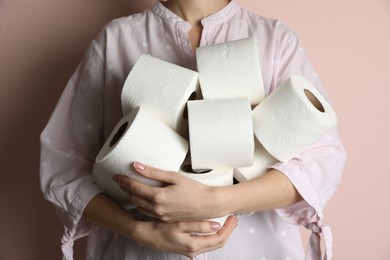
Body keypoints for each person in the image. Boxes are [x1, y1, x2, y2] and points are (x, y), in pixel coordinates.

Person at [39, 0, 346, 259]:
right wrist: (139, 230)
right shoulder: (116, 40)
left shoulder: (275, 40)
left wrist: (219, 201)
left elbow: (323, 161)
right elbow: (62, 167)